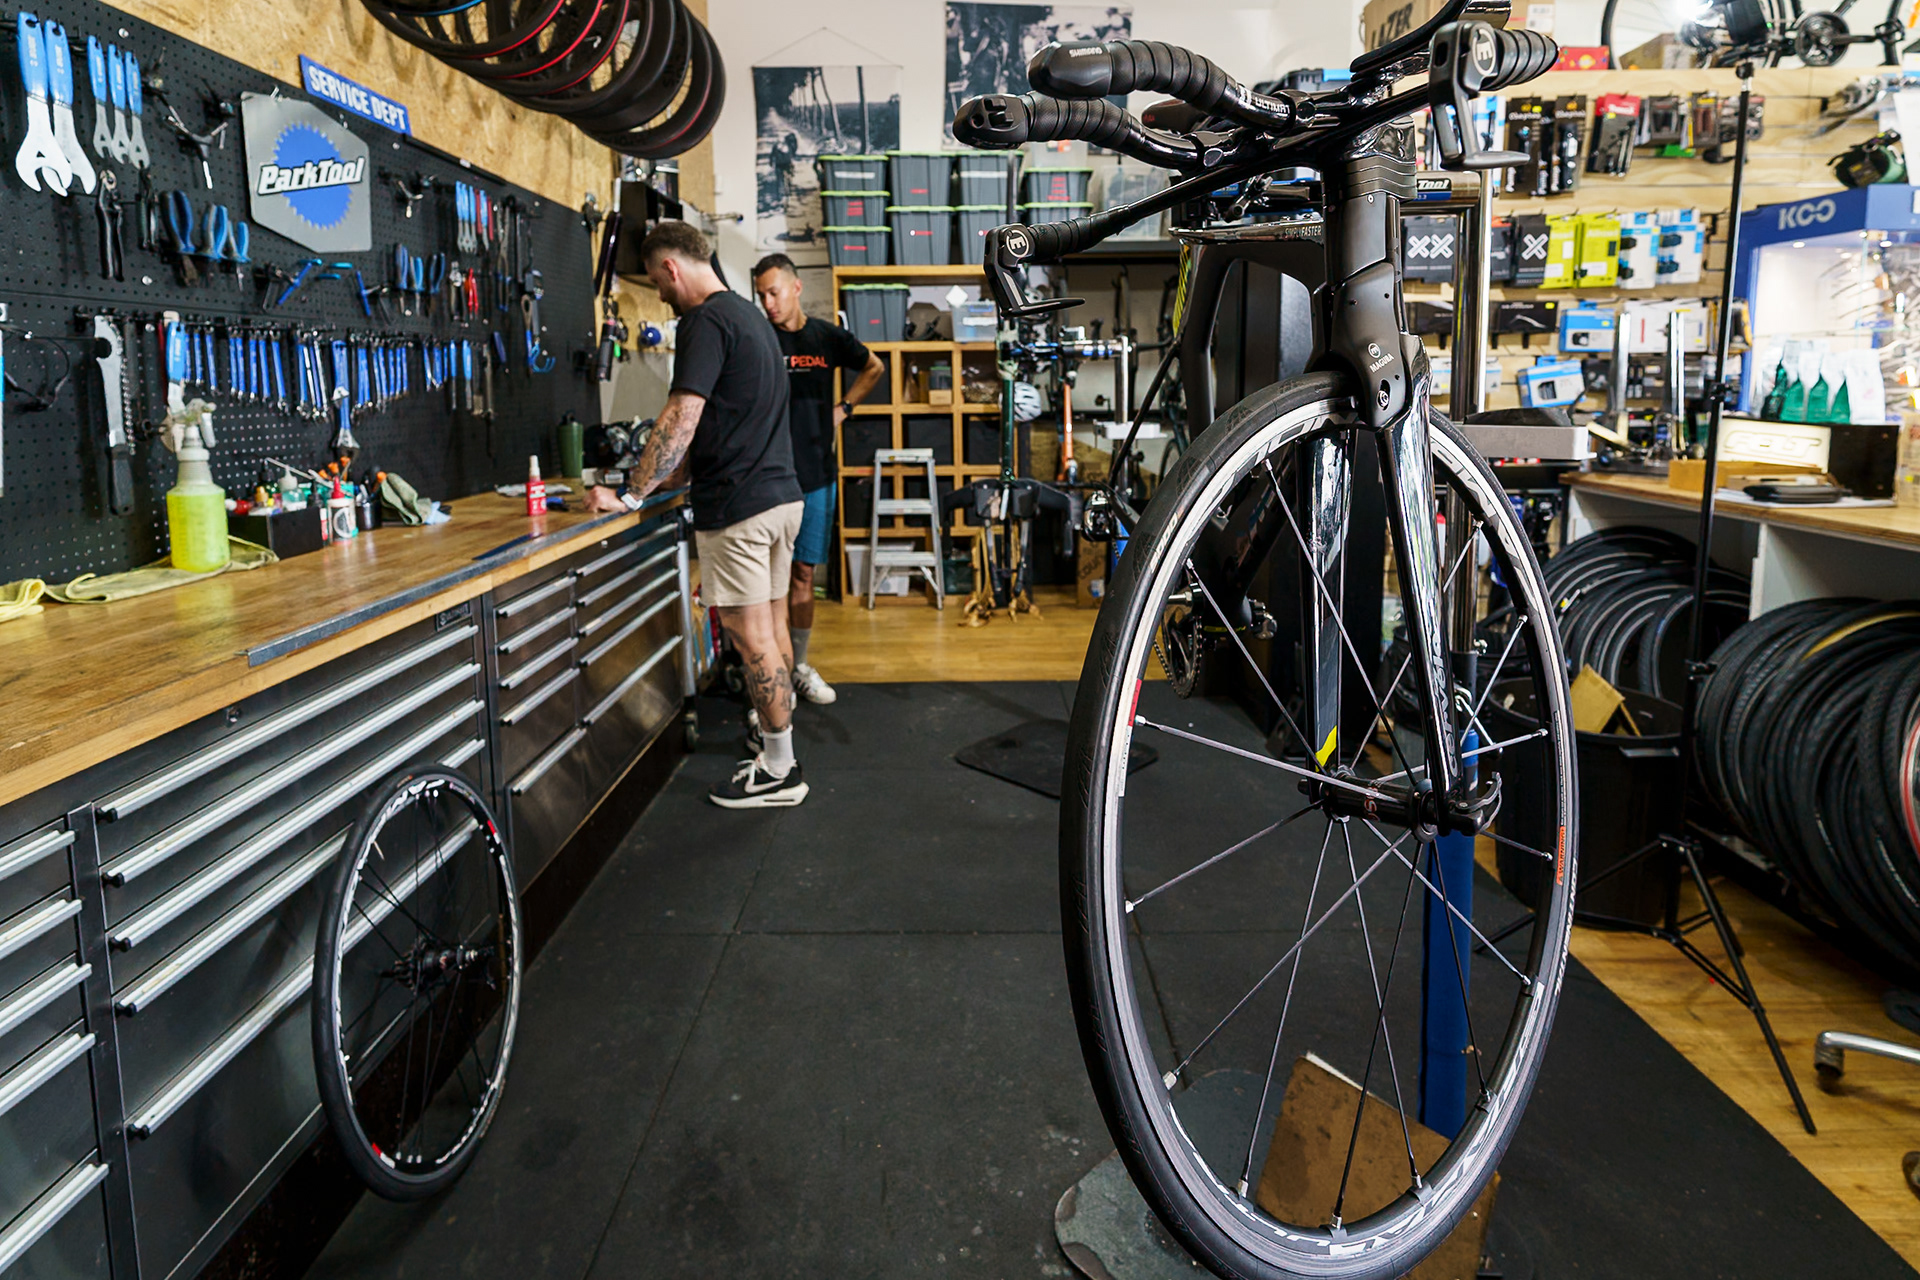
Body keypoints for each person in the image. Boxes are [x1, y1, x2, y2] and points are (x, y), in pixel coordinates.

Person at [585, 222, 808, 808]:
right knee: (772, 627)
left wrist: (632, 494)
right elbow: (717, 422)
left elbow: (682, 415)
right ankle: (774, 738)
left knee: (749, 635)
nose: (661, 295)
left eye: (658, 282)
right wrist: (672, 476)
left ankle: (780, 770)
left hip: (739, 507)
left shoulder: (704, 321)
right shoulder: (750, 318)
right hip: (781, 498)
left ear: (671, 268)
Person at [750, 253, 885, 705]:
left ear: (796, 287)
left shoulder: (825, 337)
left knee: (804, 573)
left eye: (774, 292)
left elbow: (874, 366)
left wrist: (844, 408)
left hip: (816, 476)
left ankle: (800, 666)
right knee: (769, 584)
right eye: (761, 295)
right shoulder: (758, 338)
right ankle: (774, 674)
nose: (768, 303)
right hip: (767, 480)